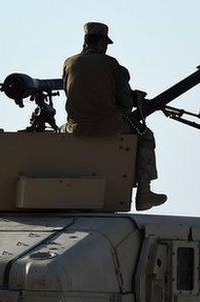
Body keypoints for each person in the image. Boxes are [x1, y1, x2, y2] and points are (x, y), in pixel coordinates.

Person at [61, 22, 165, 211]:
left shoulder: (70, 63)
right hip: (109, 127)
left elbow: (69, 94)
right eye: (106, 44)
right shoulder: (113, 65)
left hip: (75, 128)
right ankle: (144, 193)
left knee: (56, 131)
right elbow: (125, 105)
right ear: (101, 43)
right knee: (145, 135)